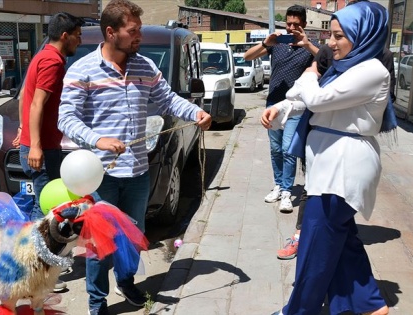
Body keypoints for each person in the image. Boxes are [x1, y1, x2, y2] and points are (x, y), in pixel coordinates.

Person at [57, 1, 212, 314]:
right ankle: (96, 302)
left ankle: (126, 282)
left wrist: (194, 111)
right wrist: (96, 138)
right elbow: (67, 118)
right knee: (99, 245)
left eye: (139, 29)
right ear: (112, 32)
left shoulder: (144, 66)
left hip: (138, 173)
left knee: (132, 236)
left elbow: (168, 101)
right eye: (133, 30)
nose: (138, 35)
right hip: (99, 176)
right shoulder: (82, 70)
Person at [263, 1, 393, 314]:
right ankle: (369, 304)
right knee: (343, 241)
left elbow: (318, 99)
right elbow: (309, 99)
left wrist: (310, 71)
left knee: (315, 246)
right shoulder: (346, 67)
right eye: (331, 35)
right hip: (330, 167)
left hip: (342, 170)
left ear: (362, 35)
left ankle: (298, 310)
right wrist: (281, 107)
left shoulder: (372, 70)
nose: (329, 43)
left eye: (338, 36)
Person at [17, 12, 83, 290]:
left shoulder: (42, 55)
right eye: (78, 35)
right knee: (46, 213)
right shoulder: (53, 61)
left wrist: (23, 131)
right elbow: (37, 103)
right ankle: (38, 272)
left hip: (40, 145)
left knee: (40, 207)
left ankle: (33, 266)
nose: (79, 41)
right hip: (42, 149)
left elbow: (24, 95)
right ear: (65, 36)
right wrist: (34, 143)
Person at [244, 5, 318, 212]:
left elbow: (327, 60)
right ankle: (278, 185)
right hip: (273, 105)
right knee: (275, 149)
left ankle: (287, 192)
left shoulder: (309, 47)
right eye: (289, 23)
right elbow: (247, 57)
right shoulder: (276, 44)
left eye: (296, 24)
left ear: (304, 24)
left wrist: (307, 44)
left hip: (296, 107)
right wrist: (265, 43)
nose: (291, 27)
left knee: (288, 149)